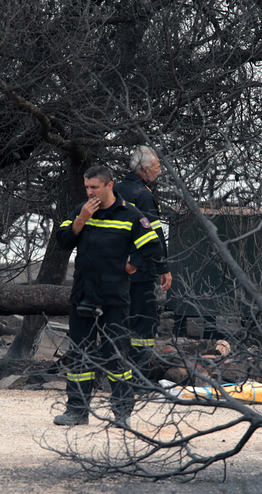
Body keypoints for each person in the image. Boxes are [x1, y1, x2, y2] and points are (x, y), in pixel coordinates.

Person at [53, 165, 168, 428]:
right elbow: (63, 241)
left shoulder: (130, 214)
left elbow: (152, 246)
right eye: (87, 187)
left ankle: (122, 413)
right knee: (80, 353)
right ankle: (77, 411)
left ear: (110, 185)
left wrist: (131, 267)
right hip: (83, 292)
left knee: (116, 355)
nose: (90, 192)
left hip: (115, 294)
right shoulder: (82, 210)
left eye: (95, 187)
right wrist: (81, 218)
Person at [113, 146, 173, 380]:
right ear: (146, 170)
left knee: (118, 321)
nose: (159, 172)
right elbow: (154, 237)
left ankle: (117, 372)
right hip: (142, 270)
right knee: (144, 324)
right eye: (157, 168)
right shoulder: (144, 195)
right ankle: (139, 377)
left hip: (116, 270)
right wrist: (164, 267)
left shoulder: (115, 190)